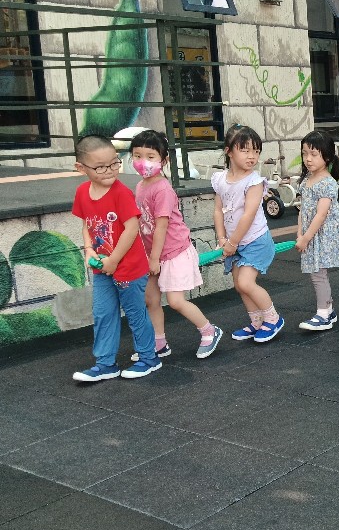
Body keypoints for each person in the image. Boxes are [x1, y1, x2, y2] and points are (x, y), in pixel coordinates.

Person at [70, 134, 160, 382]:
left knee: (135, 314)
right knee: (103, 314)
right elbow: (87, 224)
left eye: (114, 163)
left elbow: (132, 229)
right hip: (102, 268)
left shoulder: (121, 193)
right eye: (100, 167)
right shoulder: (82, 192)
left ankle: (149, 358)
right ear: (81, 168)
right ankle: (105, 364)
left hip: (129, 268)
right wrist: (89, 249)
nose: (109, 170)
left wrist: (114, 260)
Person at [129, 129, 222, 360]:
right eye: (137, 156)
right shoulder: (140, 186)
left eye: (150, 156)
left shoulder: (162, 189)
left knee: (175, 301)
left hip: (174, 252)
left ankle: (209, 331)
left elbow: (161, 226)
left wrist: (154, 258)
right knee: (151, 299)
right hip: (153, 253)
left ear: (164, 160)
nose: (143, 162)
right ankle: (159, 343)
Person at [213, 124, 283, 343]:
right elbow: (218, 210)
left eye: (256, 151)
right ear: (228, 151)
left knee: (245, 283)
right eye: (245, 150)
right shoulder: (220, 179)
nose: (252, 156)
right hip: (234, 243)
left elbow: (249, 214)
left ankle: (273, 319)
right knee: (239, 285)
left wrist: (232, 242)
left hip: (255, 241)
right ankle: (257, 322)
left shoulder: (254, 181)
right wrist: (222, 238)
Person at [295, 130, 339, 331]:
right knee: (317, 272)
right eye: (305, 153)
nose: (308, 159)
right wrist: (300, 232)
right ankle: (328, 311)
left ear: (326, 156)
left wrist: (306, 237)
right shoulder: (308, 179)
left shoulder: (327, 182)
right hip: (312, 233)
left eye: (313, 154)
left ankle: (324, 314)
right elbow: (303, 209)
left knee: (318, 273)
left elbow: (321, 214)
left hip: (322, 234)